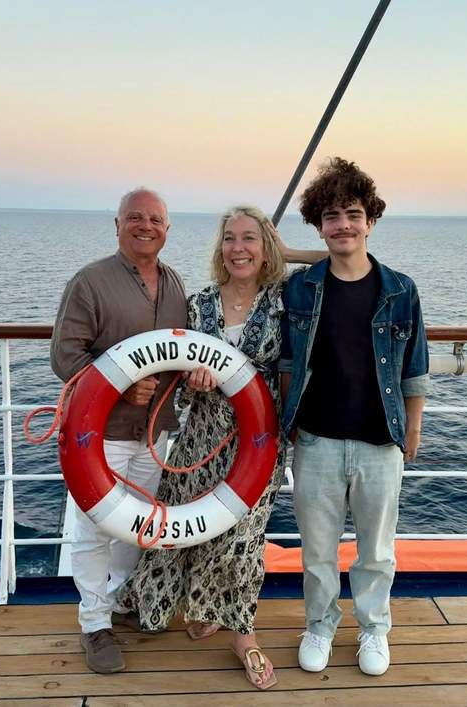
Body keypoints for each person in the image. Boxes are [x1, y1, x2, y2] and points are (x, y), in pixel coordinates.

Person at [117, 205, 323, 690]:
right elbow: (179, 382)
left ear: (265, 246)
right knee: (186, 524)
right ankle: (195, 606)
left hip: (258, 441)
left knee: (241, 538)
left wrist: (288, 250)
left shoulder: (284, 300)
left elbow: (342, 261)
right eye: (230, 238)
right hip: (201, 437)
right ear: (220, 248)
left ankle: (242, 635)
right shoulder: (200, 304)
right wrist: (194, 382)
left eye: (250, 238)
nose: (238, 248)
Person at [279, 158, 430, 676]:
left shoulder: (400, 290)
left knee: (376, 553)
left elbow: (414, 368)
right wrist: (286, 420)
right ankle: (319, 626)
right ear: (319, 226)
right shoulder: (300, 289)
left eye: (352, 213)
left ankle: (373, 631)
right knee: (317, 552)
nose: (342, 224)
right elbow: (283, 361)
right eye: (330, 216)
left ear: (370, 219)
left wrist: (412, 428)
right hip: (316, 440)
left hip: (379, 440)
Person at [50, 188, 187, 674]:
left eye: (155, 219)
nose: (145, 225)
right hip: (100, 435)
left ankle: (119, 600)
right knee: (93, 531)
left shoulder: (175, 286)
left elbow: (183, 353)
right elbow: (64, 356)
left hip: (154, 435)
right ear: (117, 224)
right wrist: (120, 387)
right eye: (135, 217)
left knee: (137, 529)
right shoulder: (90, 282)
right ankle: (94, 624)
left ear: (167, 229)